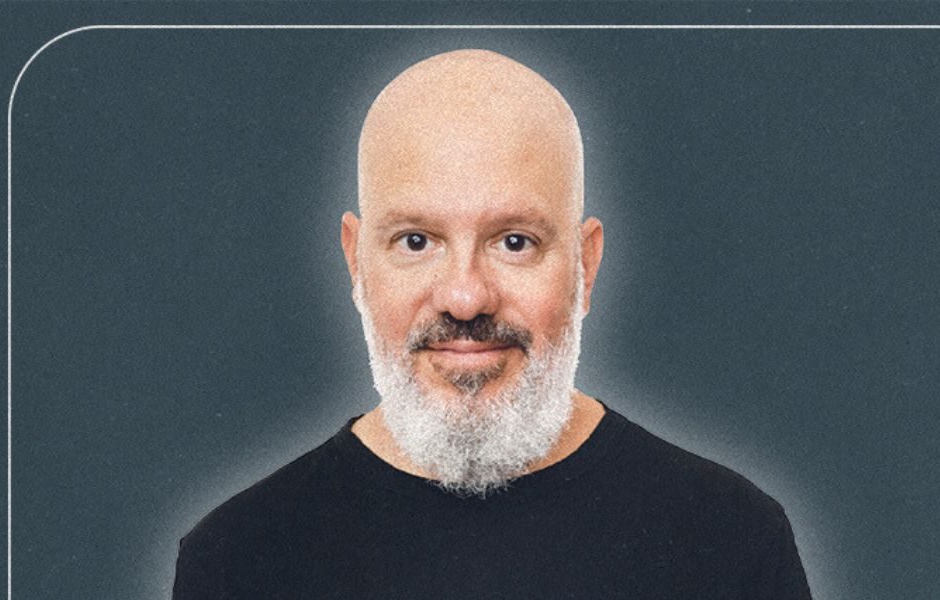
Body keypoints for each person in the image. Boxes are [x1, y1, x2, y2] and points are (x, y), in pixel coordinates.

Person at [172, 49, 812, 599]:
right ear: (356, 263)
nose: (465, 297)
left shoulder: (730, 543)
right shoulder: (238, 562)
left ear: (584, 266)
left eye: (514, 242)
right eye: (417, 241)